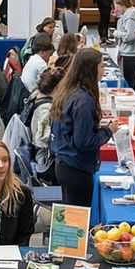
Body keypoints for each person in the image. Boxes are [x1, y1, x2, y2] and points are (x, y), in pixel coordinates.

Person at [50, 49, 115, 206]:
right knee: (76, 221)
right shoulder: (83, 101)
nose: (103, 70)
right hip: (76, 169)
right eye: (101, 66)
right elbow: (84, 142)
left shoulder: (67, 91)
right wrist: (108, 131)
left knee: (71, 218)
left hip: (64, 163)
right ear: (91, 69)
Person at [112, 0, 135, 88]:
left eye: (117, 7)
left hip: (130, 53)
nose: (116, 10)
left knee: (129, 82)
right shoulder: (127, 15)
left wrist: (117, 33)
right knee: (129, 81)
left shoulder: (130, 18)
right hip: (127, 52)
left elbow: (129, 36)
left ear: (122, 5)